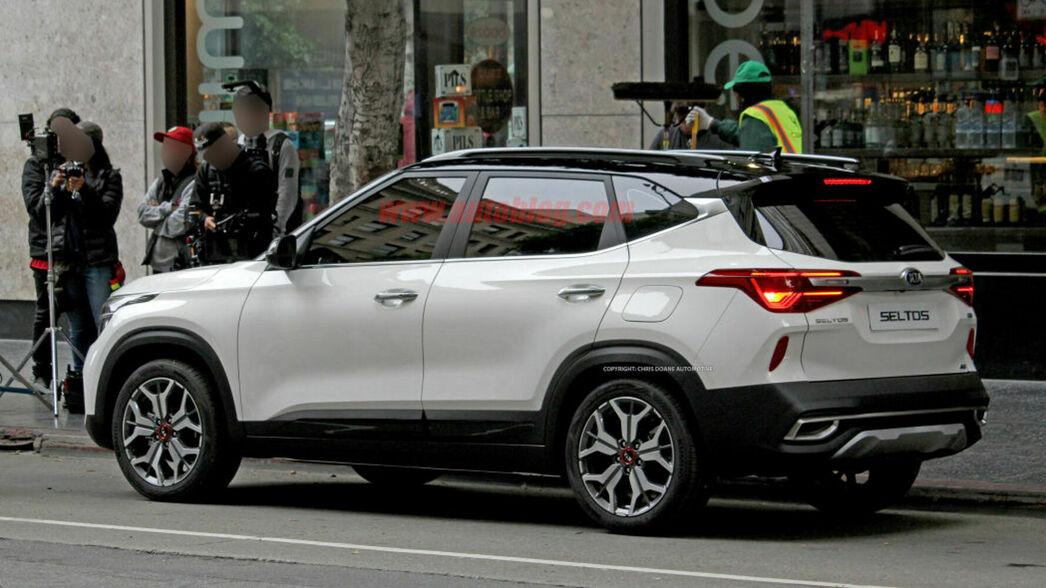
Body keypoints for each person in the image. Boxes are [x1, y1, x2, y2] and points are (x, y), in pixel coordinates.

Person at [22, 108, 83, 387]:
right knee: (46, 312)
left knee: (80, 314)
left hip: (76, 249)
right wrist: (54, 186)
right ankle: (42, 370)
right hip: (46, 248)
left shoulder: (78, 162)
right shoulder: (36, 165)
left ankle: (81, 372)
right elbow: (36, 209)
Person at [189, 122, 277, 263]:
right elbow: (193, 208)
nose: (211, 159)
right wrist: (205, 218)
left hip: (250, 253)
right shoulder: (206, 171)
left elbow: (264, 215)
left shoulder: (255, 171)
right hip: (215, 254)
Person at [227, 80, 303, 235]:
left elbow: (287, 192)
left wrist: (276, 229)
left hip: (273, 231)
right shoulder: (238, 145)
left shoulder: (282, 146)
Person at [691, 61, 803, 154]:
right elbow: (742, 133)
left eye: (735, 93)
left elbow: (752, 161)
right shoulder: (783, 110)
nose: (735, 97)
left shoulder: (756, 116)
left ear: (743, 95)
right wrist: (712, 123)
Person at [138, 126, 196, 273]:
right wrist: (169, 208)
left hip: (181, 265)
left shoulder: (194, 183)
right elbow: (142, 214)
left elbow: (178, 224)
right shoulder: (161, 182)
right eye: (165, 147)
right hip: (157, 265)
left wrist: (156, 216)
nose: (166, 152)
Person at [648, 101, 733, 151]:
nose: (686, 119)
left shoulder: (719, 139)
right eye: (681, 113)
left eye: (690, 113)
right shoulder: (666, 136)